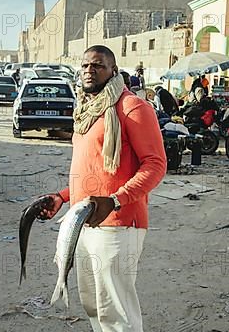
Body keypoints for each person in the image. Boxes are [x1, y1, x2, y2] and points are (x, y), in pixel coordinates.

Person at [39, 45, 167, 331]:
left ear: (114, 71)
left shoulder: (132, 107)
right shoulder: (88, 111)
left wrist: (115, 200)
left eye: (98, 65)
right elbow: (93, 173)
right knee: (93, 305)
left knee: (115, 311)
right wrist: (61, 197)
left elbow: (155, 164)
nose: (89, 70)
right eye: (84, 66)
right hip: (85, 220)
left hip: (119, 224)